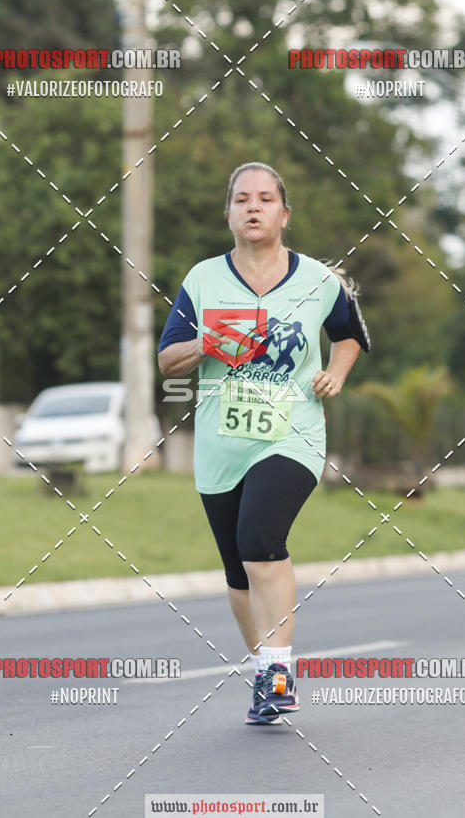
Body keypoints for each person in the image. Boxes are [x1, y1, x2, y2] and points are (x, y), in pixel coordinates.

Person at [158, 162, 370, 725]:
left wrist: (337, 374)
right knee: (237, 571)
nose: (253, 207)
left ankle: (279, 671)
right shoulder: (202, 279)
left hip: (292, 434)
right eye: (242, 199)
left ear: (284, 213)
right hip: (221, 443)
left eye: (266, 199)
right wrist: (208, 340)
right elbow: (167, 359)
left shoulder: (321, 281)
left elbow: (349, 337)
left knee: (260, 540)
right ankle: (265, 673)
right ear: (228, 213)